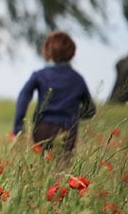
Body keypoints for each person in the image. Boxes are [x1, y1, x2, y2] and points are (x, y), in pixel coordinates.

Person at [12, 30, 96, 163]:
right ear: (71, 53)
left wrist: (18, 127)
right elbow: (90, 110)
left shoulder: (39, 75)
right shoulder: (77, 79)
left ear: (47, 51)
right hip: (67, 130)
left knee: (44, 166)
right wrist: (74, 114)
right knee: (61, 169)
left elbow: (23, 97)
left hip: (42, 128)